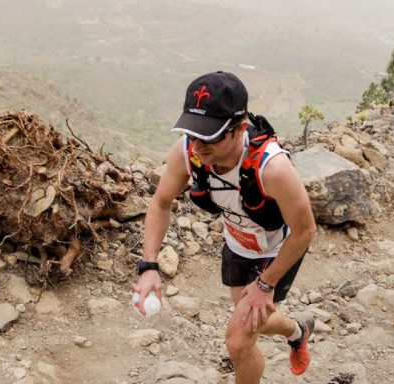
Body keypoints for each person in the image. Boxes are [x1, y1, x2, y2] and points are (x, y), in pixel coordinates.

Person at [133, 71, 317, 382]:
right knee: (256, 321)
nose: (200, 146)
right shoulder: (187, 152)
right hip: (237, 246)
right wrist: (149, 265)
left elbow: (305, 230)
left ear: (240, 128)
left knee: (238, 341)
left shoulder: (273, 168)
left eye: (211, 135)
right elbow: (161, 202)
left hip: (276, 251)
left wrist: (265, 284)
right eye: (194, 133)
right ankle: (298, 330)